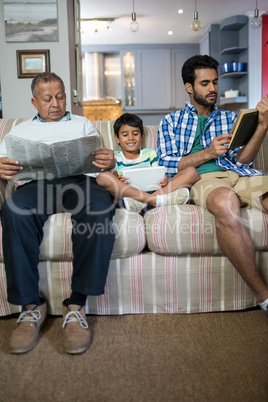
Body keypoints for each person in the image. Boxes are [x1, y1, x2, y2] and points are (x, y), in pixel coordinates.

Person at [0, 72, 116, 354]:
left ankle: (76, 305)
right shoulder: (19, 131)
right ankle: (30, 307)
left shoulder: (83, 123)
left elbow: (101, 162)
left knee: (100, 208)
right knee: (13, 211)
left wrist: (108, 160)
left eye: (60, 96)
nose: (55, 103)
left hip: (80, 182)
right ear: (34, 101)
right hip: (37, 184)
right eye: (47, 98)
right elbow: (5, 167)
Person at [157, 54, 268, 317]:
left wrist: (262, 126)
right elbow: (166, 164)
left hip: (239, 174)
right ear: (189, 87)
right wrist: (208, 152)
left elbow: (243, 159)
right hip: (203, 179)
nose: (213, 89)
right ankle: (264, 297)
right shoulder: (171, 122)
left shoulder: (230, 119)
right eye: (205, 83)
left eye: (215, 82)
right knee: (224, 203)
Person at [96, 113, 200, 213]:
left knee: (192, 172)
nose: (131, 138)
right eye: (125, 135)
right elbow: (113, 179)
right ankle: (156, 200)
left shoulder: (150, 153)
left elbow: (157, 173)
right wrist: (117, 180)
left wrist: (164, 179)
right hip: (129, 195)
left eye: (135, 134)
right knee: (103, 177)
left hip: (153, 190)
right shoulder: (114, 157)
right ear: (117, 138)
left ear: (142, 137)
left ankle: (147, 201)